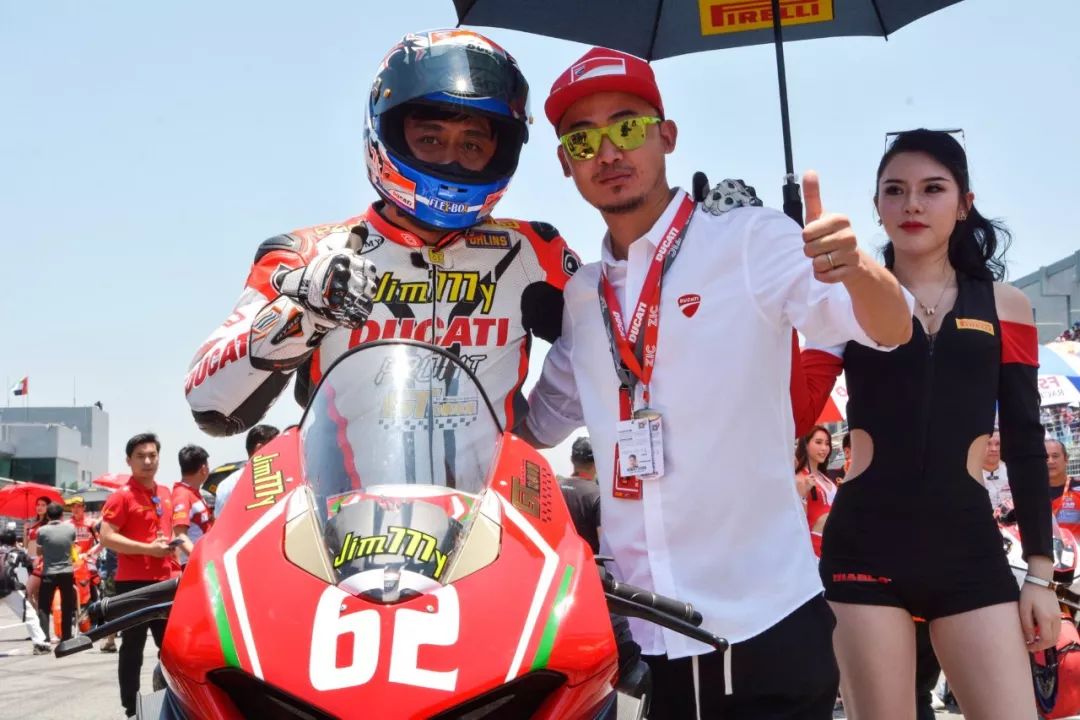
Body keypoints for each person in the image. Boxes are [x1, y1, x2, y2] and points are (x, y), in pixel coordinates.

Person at [526, 46, 912, 718]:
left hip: (761, 624)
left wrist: (858, 269)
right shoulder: (584, 296)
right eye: (583, 140)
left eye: (627, 127)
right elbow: (532, 427)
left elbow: (891, 328)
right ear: (565, 162)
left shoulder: (749, 241)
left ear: (667, 136)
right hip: (645, 638)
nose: (608, 152)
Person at [184, 29, 582, 446]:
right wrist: (301, 310)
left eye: (471, 144)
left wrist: (539, 430)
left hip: (489, 483)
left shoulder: (533, 253)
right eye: (430, 139)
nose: (451, 159)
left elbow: (610, 343)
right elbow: (210, 407)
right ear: (386, 129)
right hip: (342, 483)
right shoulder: (307, 253)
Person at [817, 129, 1058, 719]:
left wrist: (1040, 573)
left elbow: (1025, 441)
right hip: (864, 550)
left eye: (932, 189)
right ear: (876, 205)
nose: (912, 205)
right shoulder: (843, 299)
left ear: (964, 203)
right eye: (894, 190)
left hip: (968, 552)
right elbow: (791, 408)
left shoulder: (1006, 305)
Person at [100, 433, 180, 718]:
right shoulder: (122, 496)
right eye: (140, 456)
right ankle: (131, 708)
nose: (147, 461)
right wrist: (148, 549)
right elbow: (106, 536)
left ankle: (174, 699)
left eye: (152, 455)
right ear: (129, 461)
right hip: (133, 583)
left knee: (171, 647)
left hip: (166, 580)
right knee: (132, 647)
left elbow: (172, 530)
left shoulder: (166, 492)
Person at [0, 528, 51, 654]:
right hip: (7, 586)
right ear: (15, 541)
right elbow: (31, 567)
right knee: (30, 614)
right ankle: (40, 644)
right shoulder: (18, 552)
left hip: (5, 585)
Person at [214, 424, 280, 516]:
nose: (281, 452)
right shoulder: (231, 484)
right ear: (260, 449)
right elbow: (222, 519)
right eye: (277, 446)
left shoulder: (280, 479)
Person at [36, 502, 77, 642]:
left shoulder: (42, 530)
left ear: (47, 515)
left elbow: (39, 552)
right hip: (67, 572)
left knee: (44, 606)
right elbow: (72, 546)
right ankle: (66, 637)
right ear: (62, 515)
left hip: (49, 572)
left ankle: (44, 639)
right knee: (67, 605)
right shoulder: (70, 528)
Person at [795, 425, 838, 557]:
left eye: (827, 443)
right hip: (816, 547)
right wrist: (803, 493)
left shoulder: (825, 477)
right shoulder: (799, 478)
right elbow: (797, 520)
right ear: (805, 445)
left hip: (836, 540)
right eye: (818, 442)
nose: (824, 448)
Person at [171, 444, 214, 564]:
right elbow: (179, 535)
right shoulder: (182, 495)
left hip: (206, 559)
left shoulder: (194, 493)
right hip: (196, 564)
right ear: (203, 469)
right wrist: (201, 559)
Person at [559, 436, 601, 553]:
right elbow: (604, 542)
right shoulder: (598, 494)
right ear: (596, 462)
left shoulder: (553, 486)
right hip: (584, 561)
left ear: (572, 459)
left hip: (556, 558)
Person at [1049, 438, 1080, 535]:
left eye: (1055, 456)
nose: (1050, 461)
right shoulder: (1031, 493)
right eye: (1045, 457)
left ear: (1066, 459)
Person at [23, 495, 49, 611]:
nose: (40, 507)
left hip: (40, 561)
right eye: (38, 505)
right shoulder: (32, 523)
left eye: (43, 505)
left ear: (48, 507)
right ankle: (40, 617)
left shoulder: (49, 524)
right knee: (36, 594)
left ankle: (37, 616)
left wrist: (40, 558)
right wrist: (25, 530)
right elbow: (25, 545)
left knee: (28, 592)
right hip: (29, 560)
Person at [982, 429, 1012, 510]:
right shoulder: (971, 477)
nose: (994, 449)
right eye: (988, 444)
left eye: (998, 444)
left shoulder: (1013, 475)